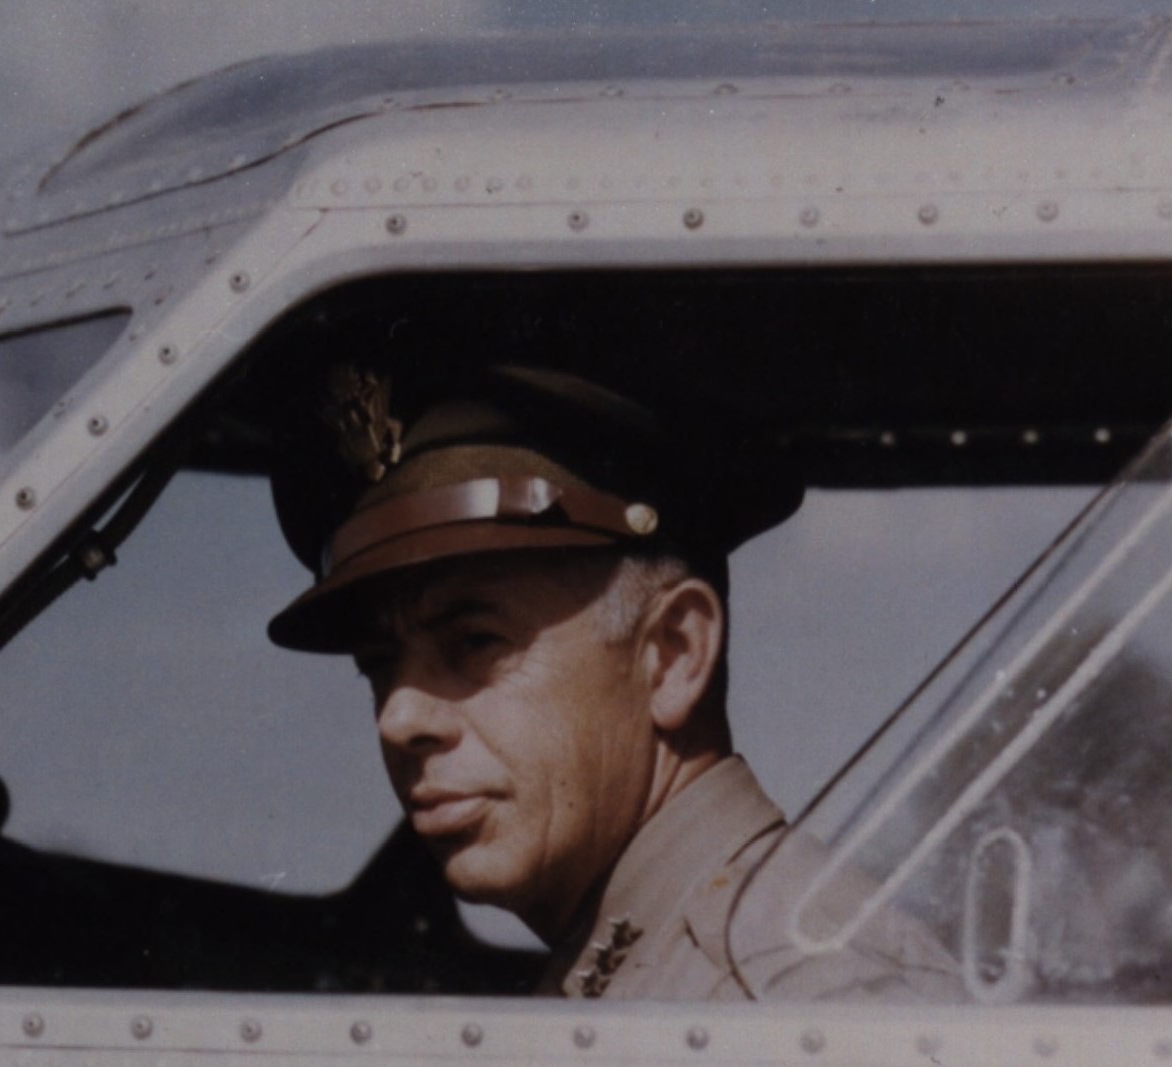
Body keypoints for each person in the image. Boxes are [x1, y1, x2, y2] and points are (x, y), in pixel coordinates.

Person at [266, 362, 948, 1002]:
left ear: (672, 653)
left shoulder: (787, 1002)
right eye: (379, 663)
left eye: (475, 641)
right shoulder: (662, 963)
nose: (398, 717)